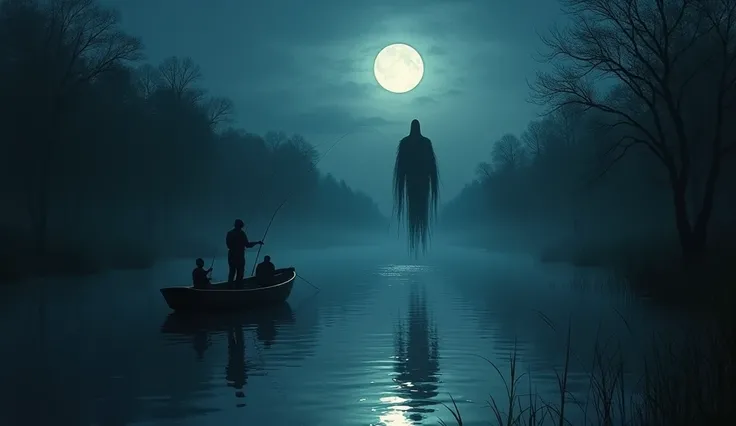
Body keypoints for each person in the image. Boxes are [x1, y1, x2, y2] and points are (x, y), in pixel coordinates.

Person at [226, 219, 263, 283]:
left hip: (231, 256)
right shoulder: (242, 234)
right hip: (239, 257)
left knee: (232, 273)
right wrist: (257, 243)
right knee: (240, 274)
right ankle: (238, 288)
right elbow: (248, 245)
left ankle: (230, 288)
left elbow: (228, 245)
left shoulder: (229, 233)